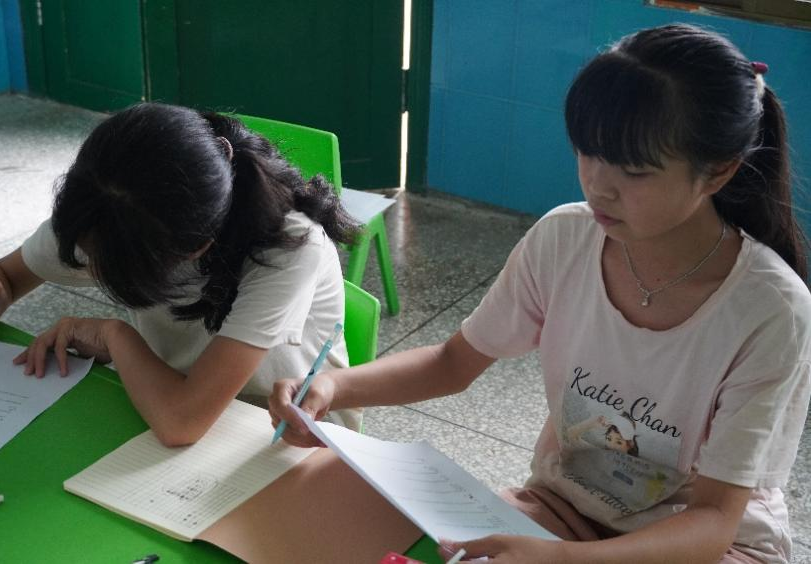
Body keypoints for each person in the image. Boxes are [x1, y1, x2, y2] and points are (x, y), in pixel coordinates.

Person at [269, 23, 811, 563]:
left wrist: (564, 561)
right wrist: (334, 387)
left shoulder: (771, 311)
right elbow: (452, 362)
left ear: (718, 172)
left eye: (634, 171)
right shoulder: (565, 238)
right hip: (565, 508)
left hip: (705, 545)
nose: (598, 186)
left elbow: (713, 521)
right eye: (588, 153)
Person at [0, 103, 362, 446]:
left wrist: (113, 335)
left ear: (197, 248)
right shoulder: (105, 206)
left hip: (287, 433)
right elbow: (5, 276)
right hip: (167, 396)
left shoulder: (287, 249)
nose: (89, 263)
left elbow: (181, 424)